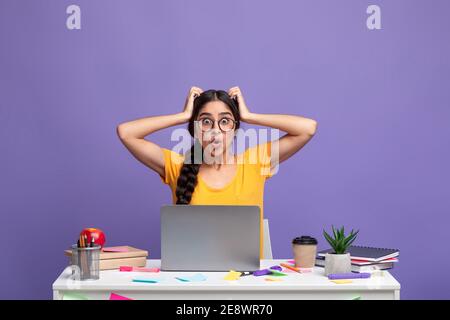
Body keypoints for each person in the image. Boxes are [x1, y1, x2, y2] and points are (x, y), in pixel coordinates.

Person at [117, 86, 318, 258]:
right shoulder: (177, 165)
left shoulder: (255, 162)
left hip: (247, 283)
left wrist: (249, 116)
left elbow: (307, 128)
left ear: (235, 128)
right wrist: (183, 116)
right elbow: (127, 133)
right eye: (205, 122)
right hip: (193, 282)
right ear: (195, 129)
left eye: (225, 121)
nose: (216, 130)